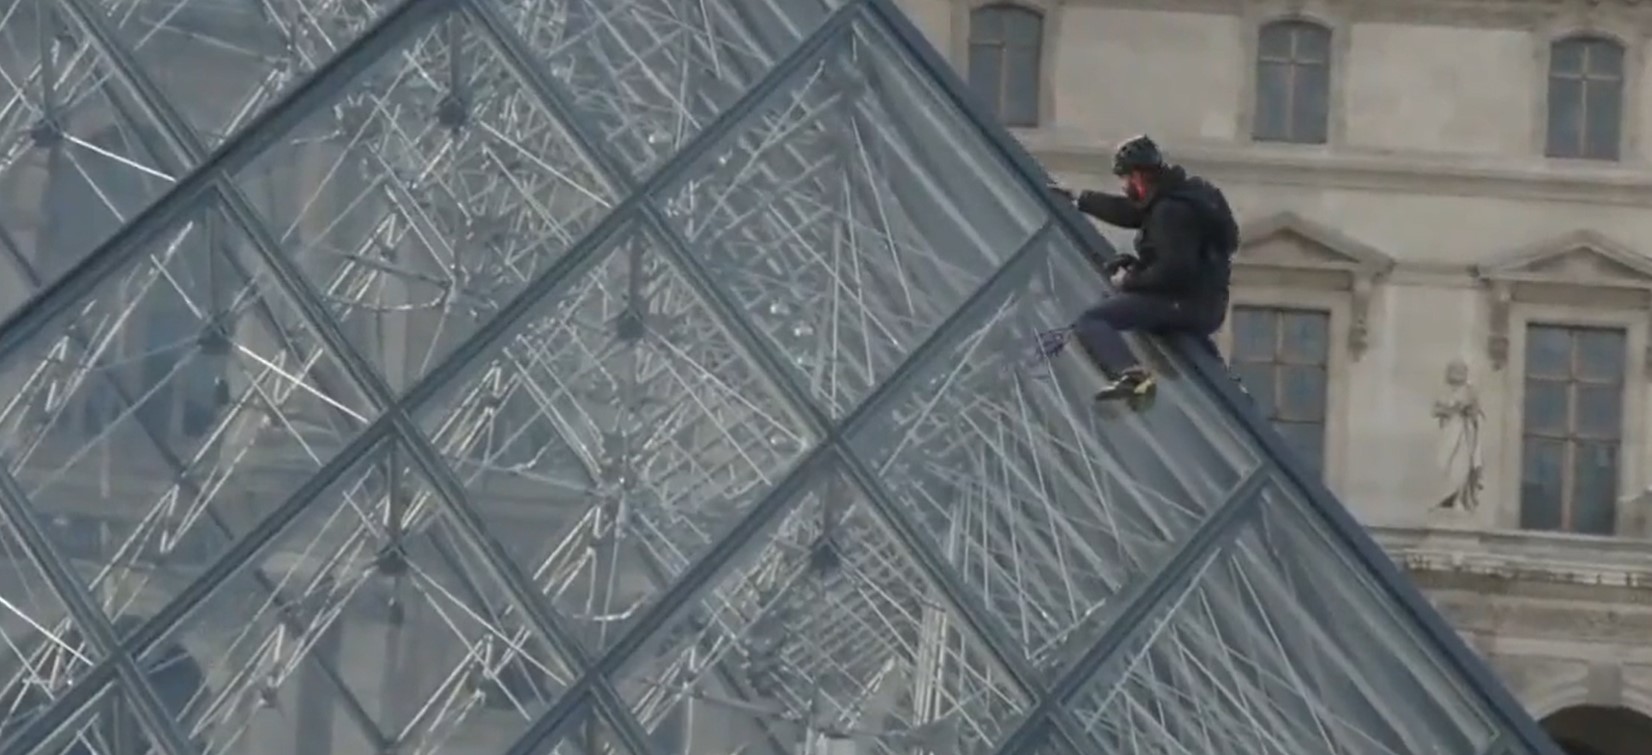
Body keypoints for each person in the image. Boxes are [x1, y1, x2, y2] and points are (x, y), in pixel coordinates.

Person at [1047, 134, 1239, 407]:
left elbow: (1173, 271)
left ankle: (1132, 376)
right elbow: (1132, 212)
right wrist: (1081, 199)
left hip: (1183, 302)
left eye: (1124, 179)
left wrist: (1130, 280)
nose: (1124, 187)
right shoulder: (1180, 198)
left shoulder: (1169, 212)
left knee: (1093, 320)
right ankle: (1229, 388)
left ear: (1137, 175)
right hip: (1203, 305)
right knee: (1181, 338)